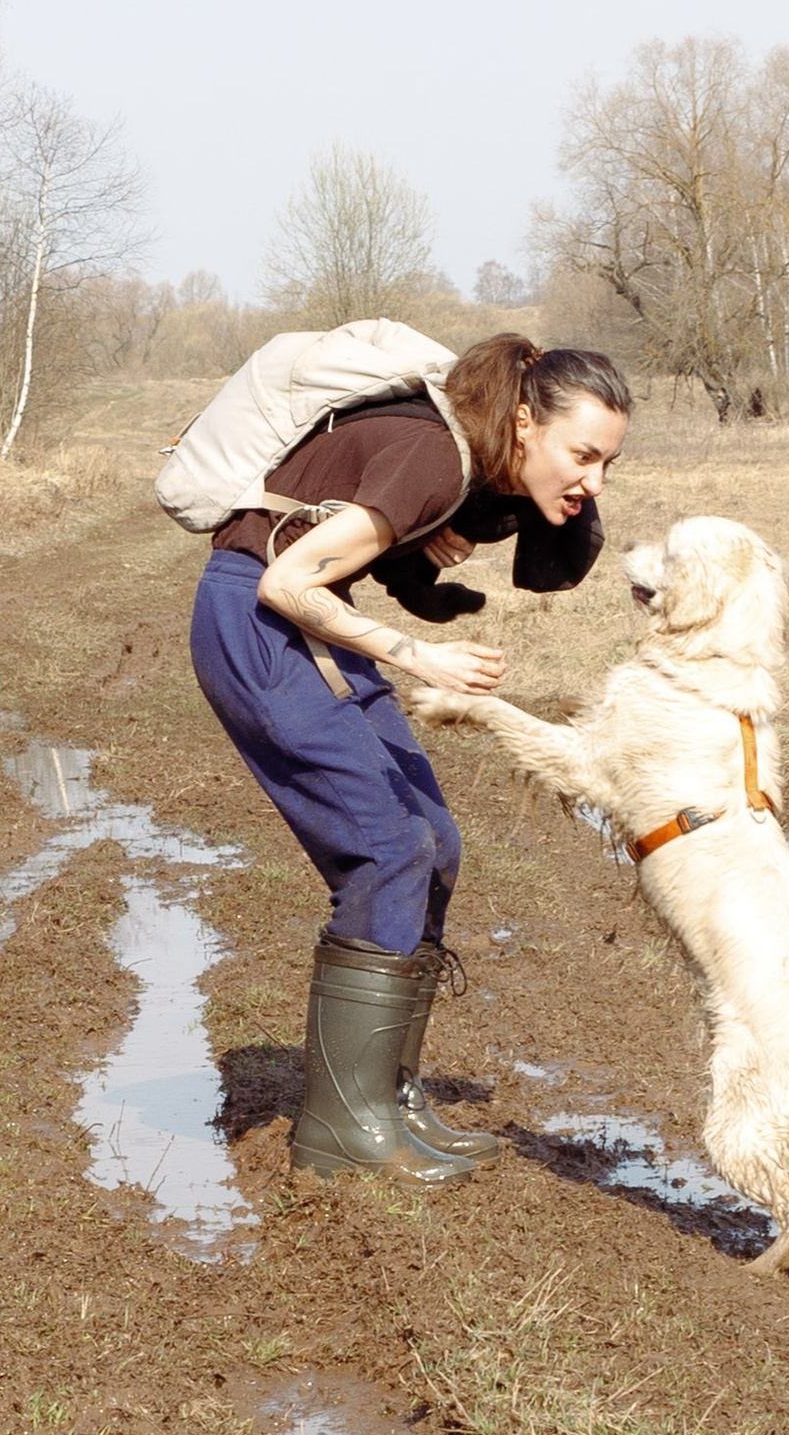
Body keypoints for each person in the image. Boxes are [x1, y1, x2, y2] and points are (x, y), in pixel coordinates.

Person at [188, 332, 632, 1186]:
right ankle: (341, 1127)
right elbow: (286, 581)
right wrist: (418, 656)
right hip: (257, 622)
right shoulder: (435, 452)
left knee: (436, 842)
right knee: (389, 849)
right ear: (524, 420)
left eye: (607, 463)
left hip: (299, 622)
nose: (593, 482)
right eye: (582, 455)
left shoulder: (454, 465)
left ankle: (386, 1097)